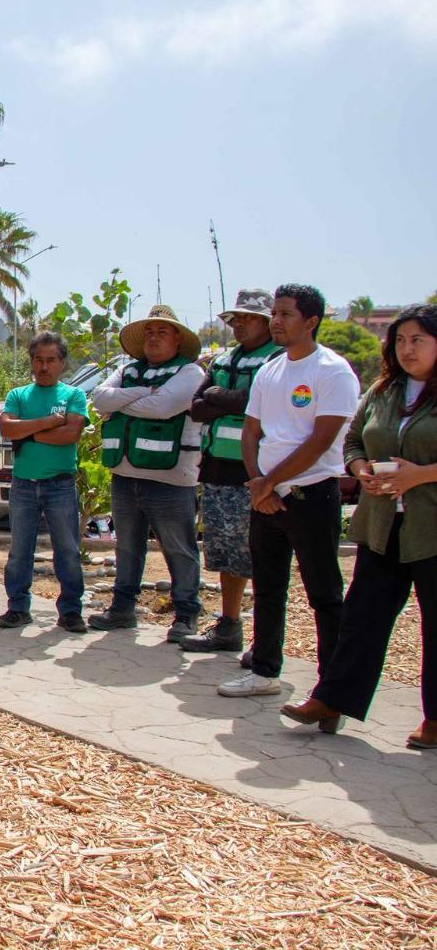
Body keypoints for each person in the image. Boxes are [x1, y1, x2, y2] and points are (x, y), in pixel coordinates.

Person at [282, 304, 437, 744]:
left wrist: (419, 475)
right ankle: (332, 698)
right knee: (363, 616)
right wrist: (362, 466)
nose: (407, 349)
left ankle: (435, 719)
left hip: (431, 526)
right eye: (401, 340)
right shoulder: (385, 390)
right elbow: (353, 438)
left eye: (418, 340)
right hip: (382, 523)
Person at [217, 283, 359, 698]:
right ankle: (264, 670)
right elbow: (250, 432)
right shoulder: (270, 370)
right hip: (267, 496)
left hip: (311, 494)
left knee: (324, 592)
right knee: (268, 585)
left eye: (285, 314)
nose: (276, 321)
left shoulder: (332, 371)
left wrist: (269, 482)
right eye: (275, 313)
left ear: (311, 321)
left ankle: (332, 687)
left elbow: (321, 439)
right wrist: (259, 484)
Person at [87, 304, 205, 640]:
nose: (154, 337)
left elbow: (164, 406)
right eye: (149, 332)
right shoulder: (128, 370)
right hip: (125, 475)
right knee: (126, 545)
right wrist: (146, 393)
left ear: (178, 339)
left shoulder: (190, 373)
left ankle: (185, 614)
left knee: (179, 548)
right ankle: (122, 609)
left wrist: (127, 400)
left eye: (162, 331)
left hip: (171, 479)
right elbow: (99, 398)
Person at [179, 289, 280, 658]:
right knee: (225, 552)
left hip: (260, 469)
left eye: (248, 318)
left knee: (262, 553)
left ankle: (266, 639)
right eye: (235, 319)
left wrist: (222, 398)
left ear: (267, 321)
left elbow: (260, 403)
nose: (239, 325)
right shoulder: (224, 360)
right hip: (219, 467)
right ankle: (229, 624)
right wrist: (229, 398)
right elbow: (197, 408)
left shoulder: (279, 360)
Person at [0, 332, 89, 632]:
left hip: (59, 485)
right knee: (20, 551)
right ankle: (18, 608)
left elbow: (70, 435)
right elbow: (8, 430)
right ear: (32, 362)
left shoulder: (73, 396)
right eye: (38, 360)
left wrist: (30, 433)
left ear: (62, 363)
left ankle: (71, 611)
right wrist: (49, 423)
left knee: (68, 551)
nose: (44, 366)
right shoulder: (18, 395)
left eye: (51, 360)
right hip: (23, 484)